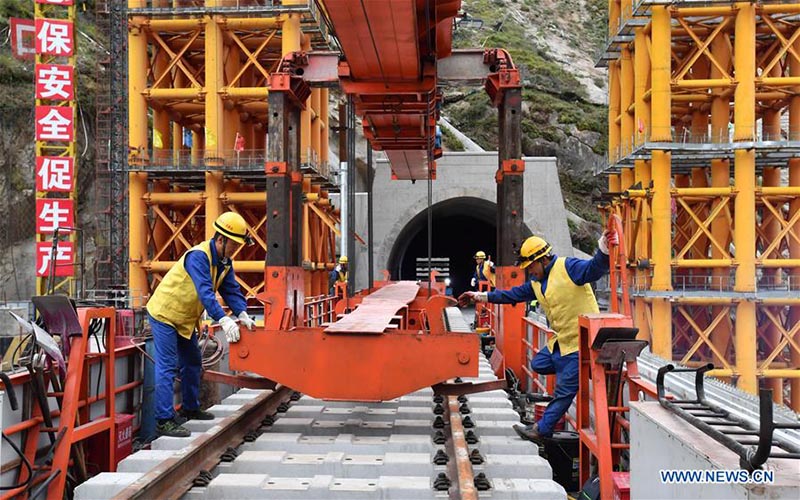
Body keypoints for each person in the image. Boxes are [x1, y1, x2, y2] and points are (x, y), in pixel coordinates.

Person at [458, 230, 618, 442]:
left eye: (531, 266)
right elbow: (510, 295)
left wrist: (604, 250)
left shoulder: (568, 267)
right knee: (539, 363)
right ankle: (573, 373)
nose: (530, 272)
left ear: (543, 259)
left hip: (582, 342)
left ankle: (542, 429)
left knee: (564, 391)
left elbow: (594, 269)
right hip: (562, 341)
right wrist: (479, 296)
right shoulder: (536, 283)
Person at [146, 212, 257, 437]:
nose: (234, 250)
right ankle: (164, 420)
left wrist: (242, 313)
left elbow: (230, 290)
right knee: (167, 365)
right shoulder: (198, 257)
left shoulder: (225, 262)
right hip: (165, 314)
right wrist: (224, 319)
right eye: (232, 245)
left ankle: (190, 408)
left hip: (184, 318)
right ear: (220, 240)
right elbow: (205, 292)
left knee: (193, 361)